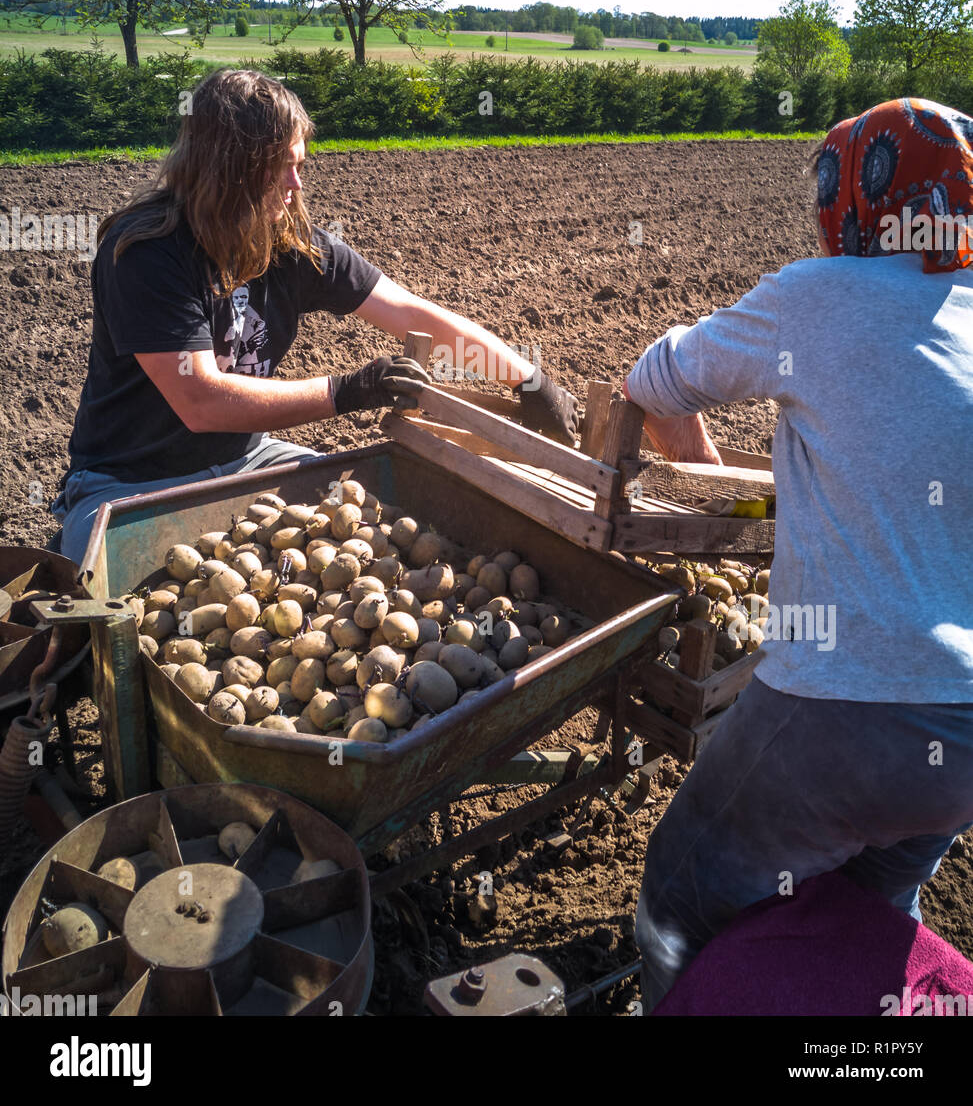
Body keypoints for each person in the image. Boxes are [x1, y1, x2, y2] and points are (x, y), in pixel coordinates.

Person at [622, 97, 973, 1012]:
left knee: (678, 896)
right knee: (867, 903)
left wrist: (704, 486)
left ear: (853, 195)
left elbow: (652, 381)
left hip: (849, 708)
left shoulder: (816, 295)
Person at [51, 68, 579, 567]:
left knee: (373, 520)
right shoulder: (147, 253)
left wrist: (527, 380)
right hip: (127, 485)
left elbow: (414, 314)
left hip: (246, 459)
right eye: (282, 166)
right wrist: (346, 390)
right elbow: (201, 401)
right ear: (230, 166)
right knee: (95, 607)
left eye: (300, 164)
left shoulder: (291, 246)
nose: (296, 184)